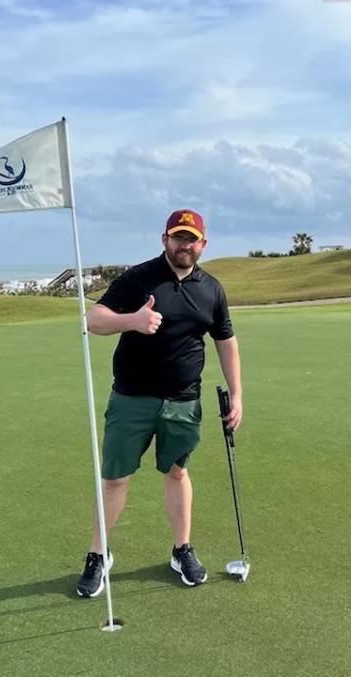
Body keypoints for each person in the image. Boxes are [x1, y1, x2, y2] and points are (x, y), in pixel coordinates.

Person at [76, 208, 243, 597]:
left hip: (183, 402)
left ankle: (181, 549)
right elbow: (91, 319)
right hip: (132, 398)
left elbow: (225, 340)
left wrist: (237, 394)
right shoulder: (139, 278)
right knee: (116, 478)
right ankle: (98, 556)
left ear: (203, 244)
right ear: (164, 239)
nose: (184, 245)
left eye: (191, 239)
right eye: (177, 237)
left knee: (177, 473)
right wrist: (131, 321)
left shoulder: (212, 289)